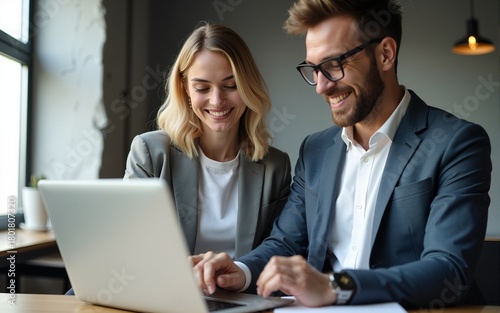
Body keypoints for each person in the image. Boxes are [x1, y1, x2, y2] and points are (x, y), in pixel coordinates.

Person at [190, 0, 492, 309]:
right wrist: (239, 271)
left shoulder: (457, 143)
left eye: (334, 65)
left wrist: (336, 286)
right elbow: (286, 243)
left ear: (385, 54)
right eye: (313, 69)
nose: (321, 86)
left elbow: (448, 270)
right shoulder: (316, 150)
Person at [124, 22, 291, 258]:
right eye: (202, 88)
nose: (217, 100)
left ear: (247, 85)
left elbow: (277, 250)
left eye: (231, 85)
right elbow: (130, 242)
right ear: (185, 90)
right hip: (168, 291)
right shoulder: (150, 154)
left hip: (240, 292)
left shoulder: (276, 166)